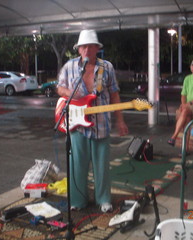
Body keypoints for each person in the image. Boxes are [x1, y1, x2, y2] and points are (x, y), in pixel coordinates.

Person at [57, 29, 128, 213]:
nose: (87, 49)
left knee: (101, 165)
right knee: (77, 165)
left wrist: (120, 121)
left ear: (97, 48)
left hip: (101, 124)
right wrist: (71, 96)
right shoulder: (70, 67)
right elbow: (60, 88)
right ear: (78, 49)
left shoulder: (107, 67)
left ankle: (103, 199)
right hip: (76, 124)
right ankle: (78, 200)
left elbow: (114, 94)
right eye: (83, 46)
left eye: (90, 46)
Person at [167, 58, 193, 146]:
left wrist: (188, 104)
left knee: (184, 111)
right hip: (188, 107)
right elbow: (183, 95)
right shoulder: (187, 79)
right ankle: (185, 149)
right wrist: (183, 104)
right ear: (191, 68)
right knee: (186, 119)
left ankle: (174, 137)